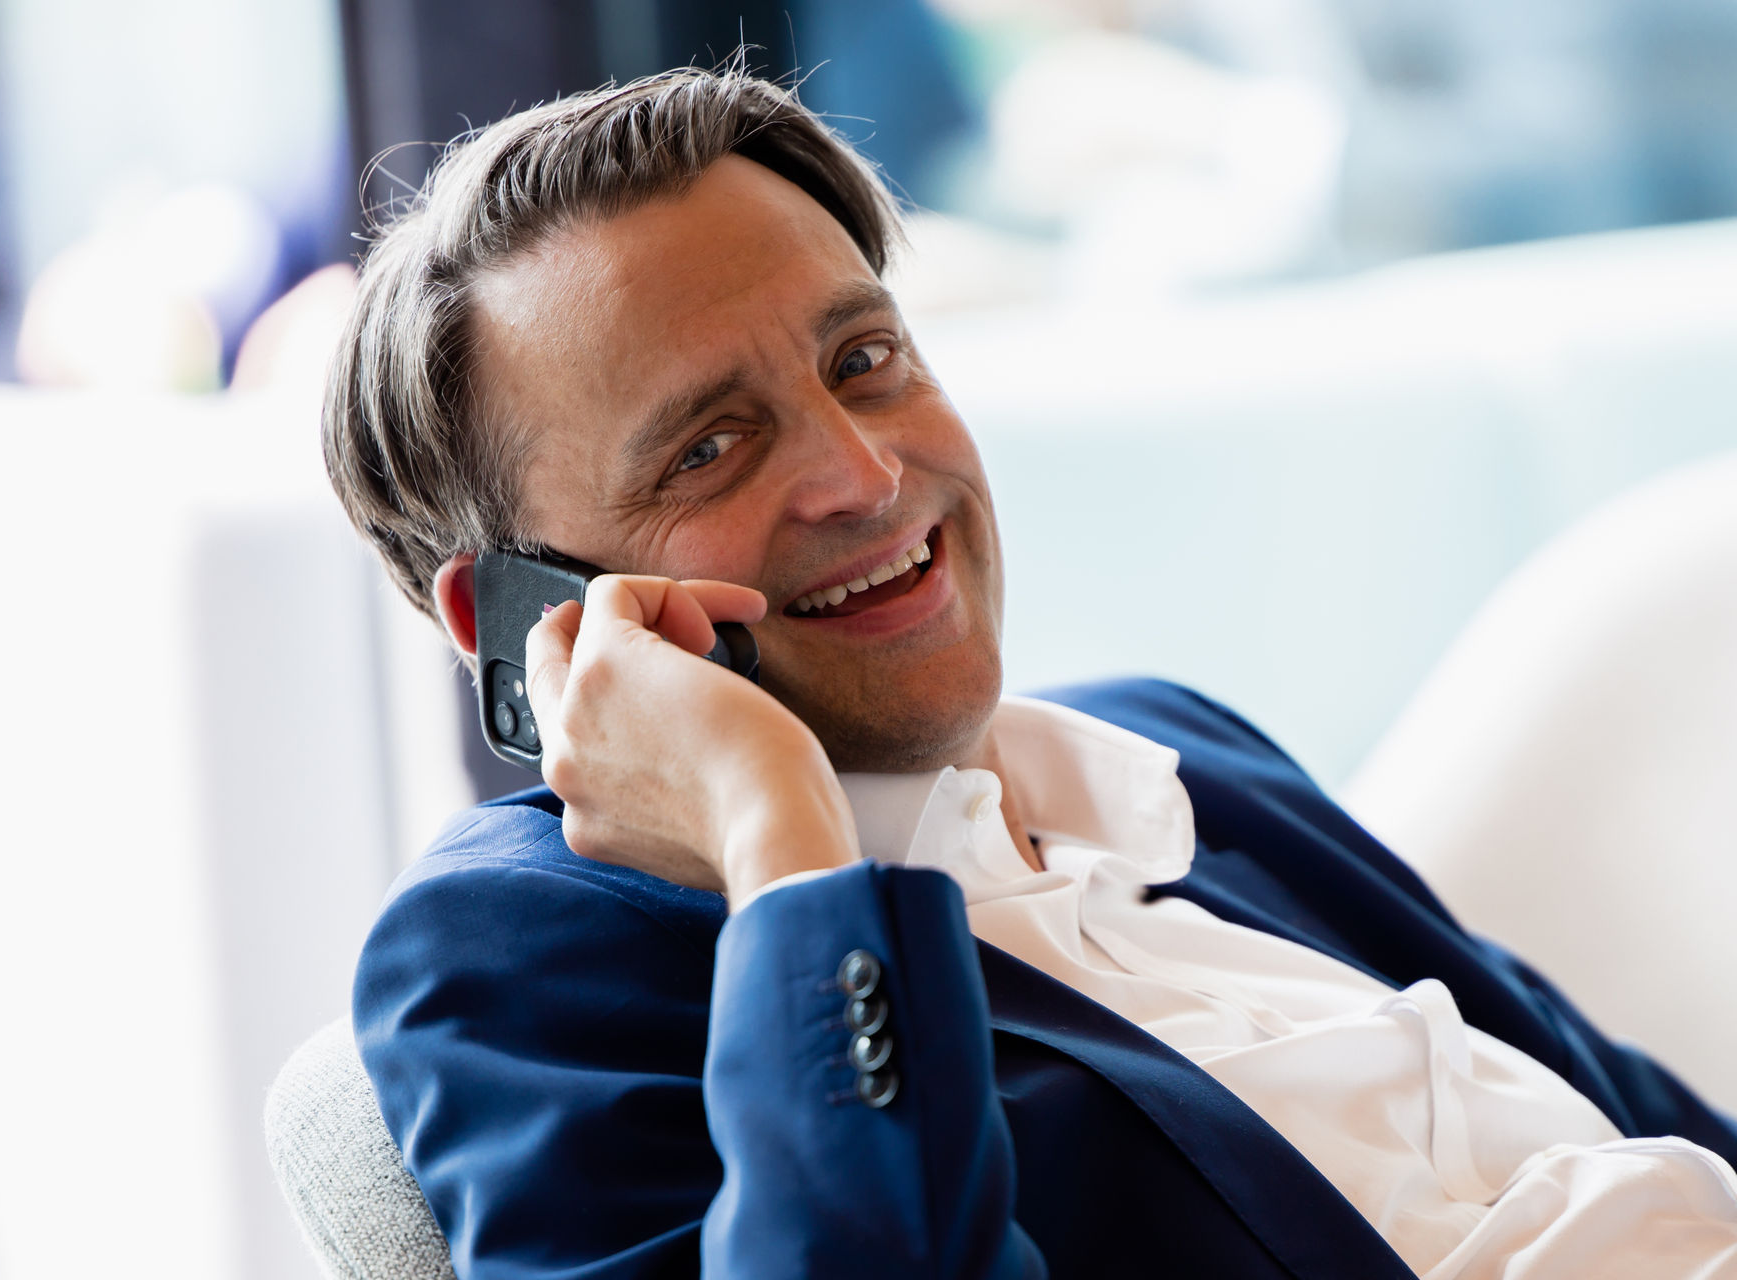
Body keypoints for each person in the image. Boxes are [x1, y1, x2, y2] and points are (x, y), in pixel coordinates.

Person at [323, 68, 1737, 1279]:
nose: (866, 474)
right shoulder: (520, 962)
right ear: (525, 615)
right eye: (710, 446)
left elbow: (1643, 1122)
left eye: (865, 358)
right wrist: (785, 842)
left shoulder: (1175, 755)